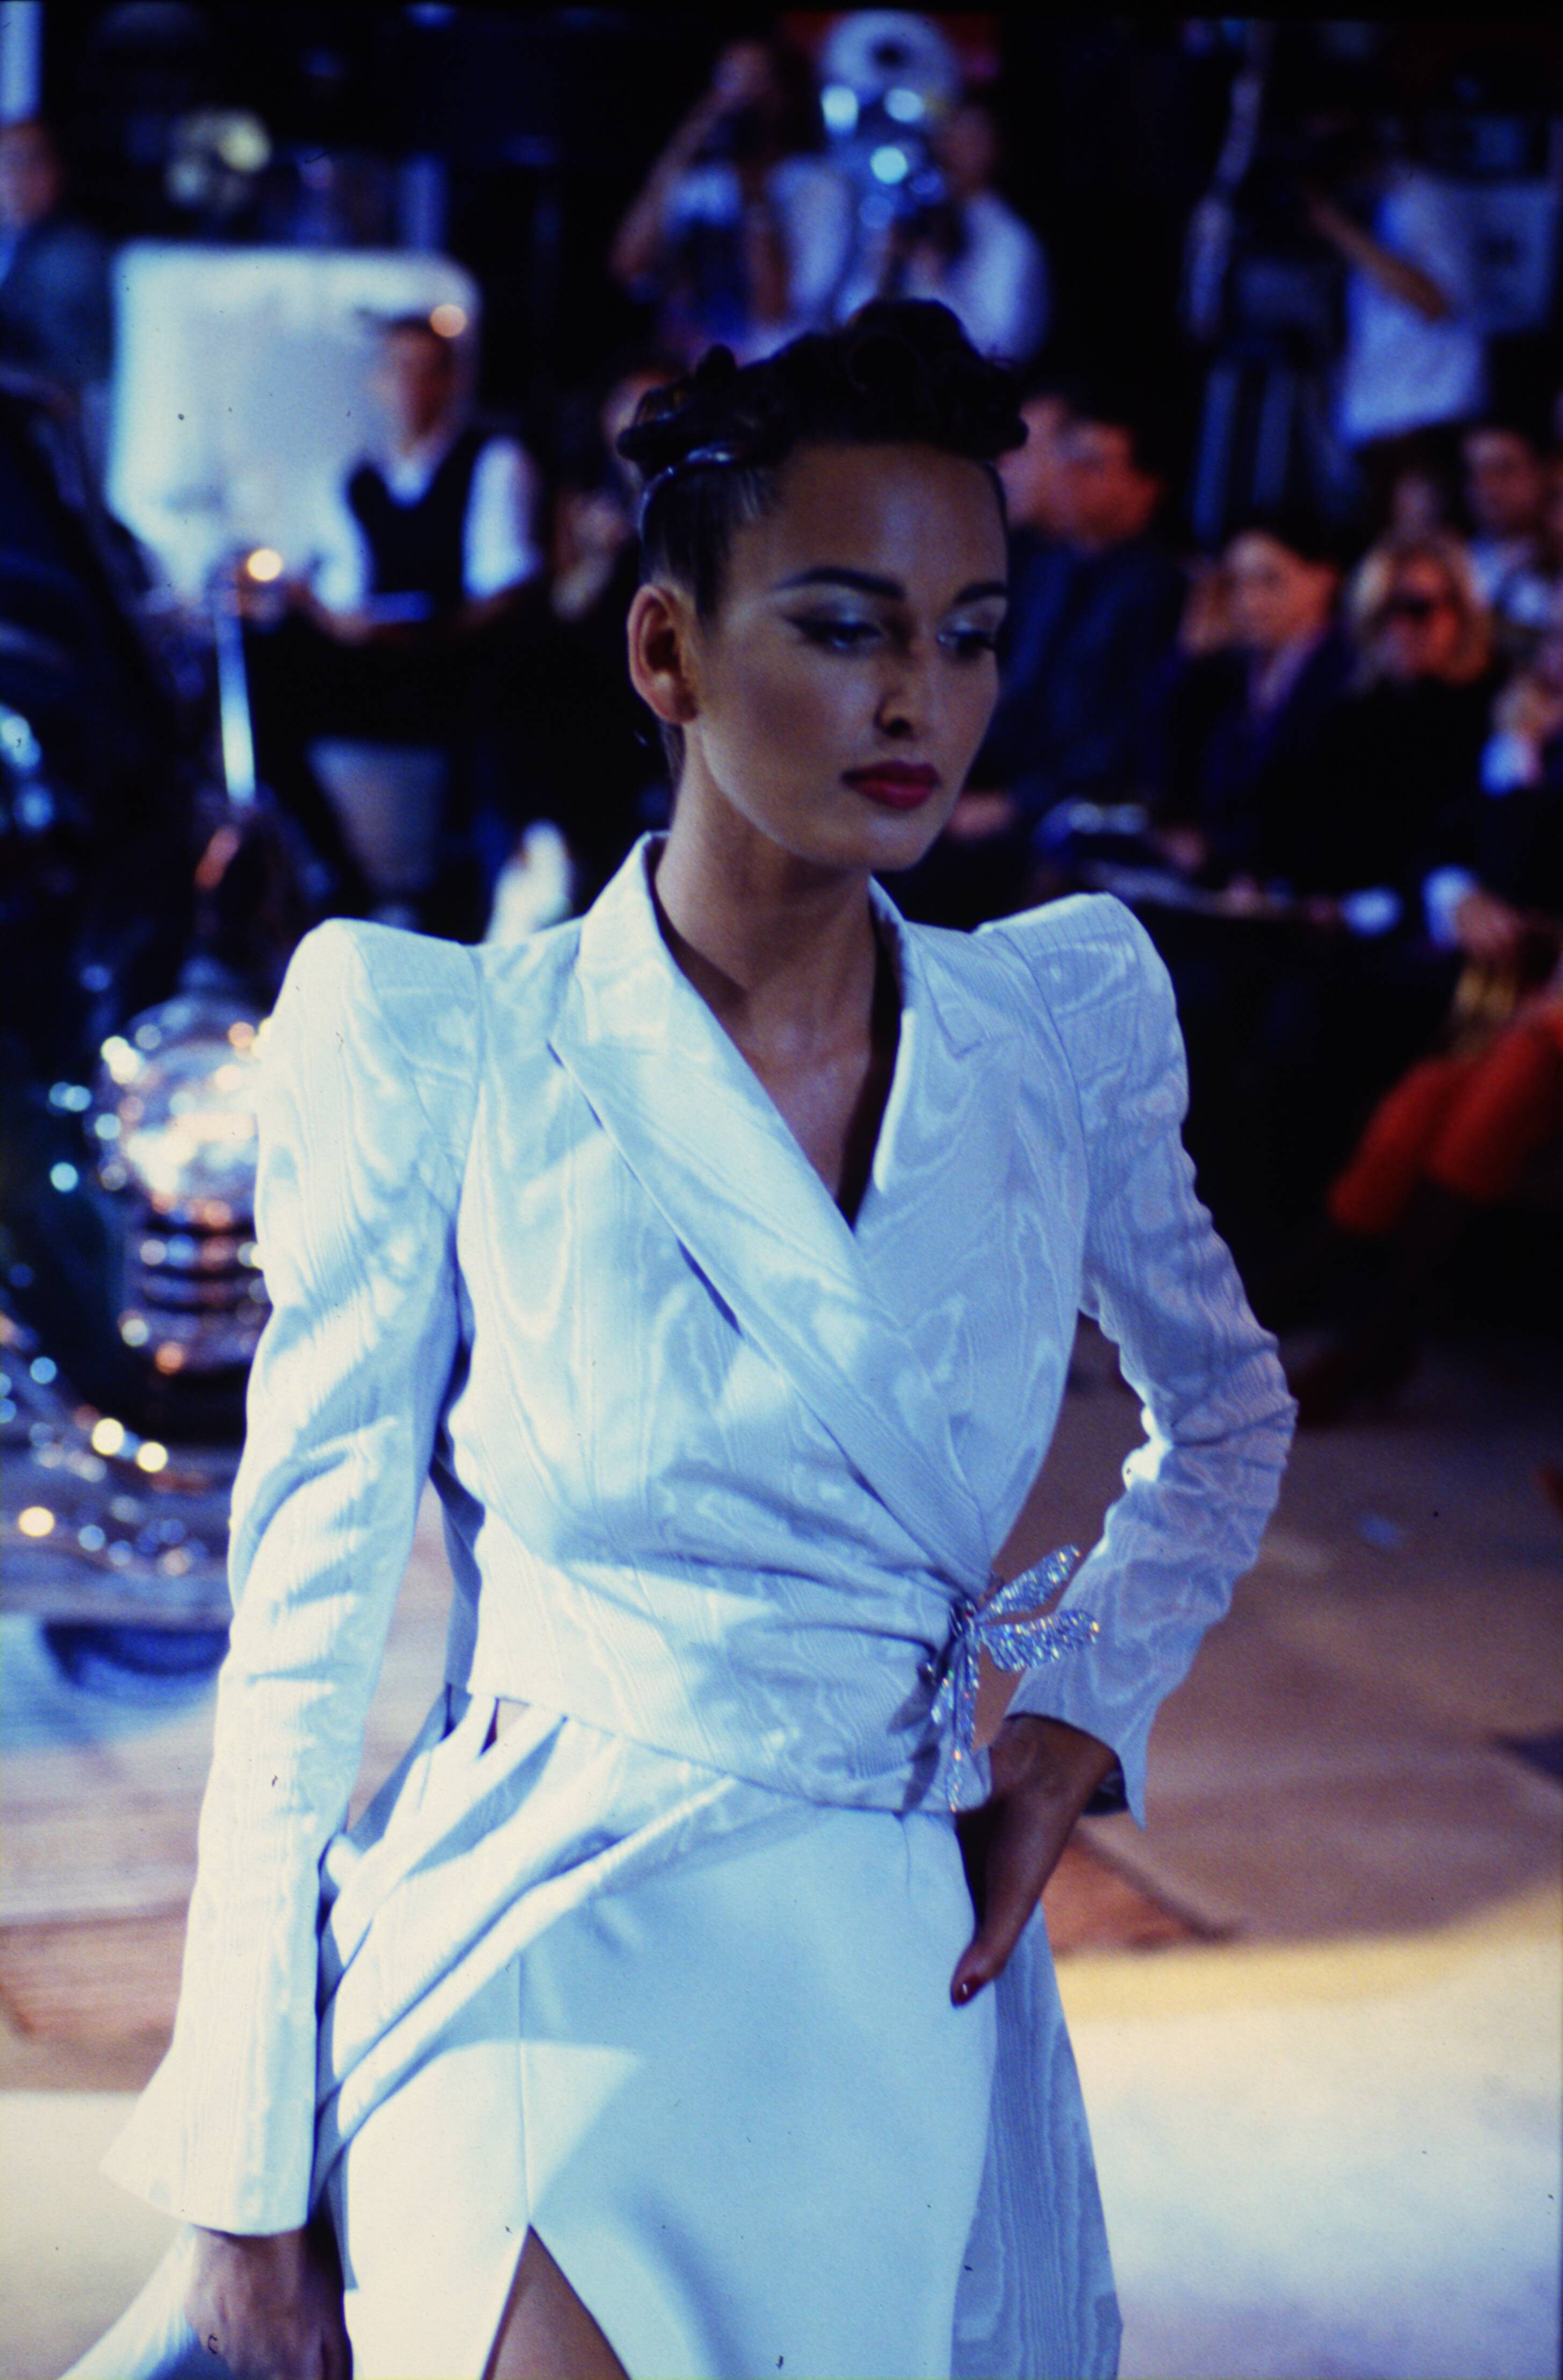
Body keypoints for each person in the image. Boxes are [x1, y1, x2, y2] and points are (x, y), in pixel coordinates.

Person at [71, 304, 1292, 2380]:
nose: (916, 698)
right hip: (536, 1923)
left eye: (969, 635)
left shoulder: (1051, 1028)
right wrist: (242, 2163)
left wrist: (1076, 1709)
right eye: (843, 625)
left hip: (899, 1940)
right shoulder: (443, 1042)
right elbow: (301, 1624)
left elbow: (1229, 1413)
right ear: (665, 650)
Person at [250, 310, 543, 931]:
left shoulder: (493, 463)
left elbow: (506, 586)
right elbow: (344, 591)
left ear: (451, 382)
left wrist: (432, 633)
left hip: (459, 653)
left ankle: (465, 887)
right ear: (378, 382)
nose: (412, 385)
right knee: (262, 663)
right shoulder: (353, 480)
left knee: (511, 676)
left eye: (428, 370)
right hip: (376, 662)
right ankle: (337, 872)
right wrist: (332, 618)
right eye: (399, 369)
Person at [609, 38, 852, 364]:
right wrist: (681, 148)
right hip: (693, 371)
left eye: (753, 81)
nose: (737, 97)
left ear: (784, 96)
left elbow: (775, 311)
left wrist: (753, 190)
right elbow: (630, 267)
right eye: (727, 79)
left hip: (776, 371)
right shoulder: (702, 185)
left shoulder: (820, 186)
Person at [1150, 511, 1353, 889]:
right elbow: (1167, 762)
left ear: (1323, 579)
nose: (1250, 601)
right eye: (1237, 584)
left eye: (1269, 580)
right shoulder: (1230, 670)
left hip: (1306, 891)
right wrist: (1191, 659)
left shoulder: (1351, 675)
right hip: (1220, 884)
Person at [1314, 123, 1486, 498]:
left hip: (1425, 421)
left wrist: (1336, 228)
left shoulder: (1419, 197)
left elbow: (1435, 302)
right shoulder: (1366, 208)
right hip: (1375, 430)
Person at [832, 98, 1049, 363]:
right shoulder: (913, 219)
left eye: (973, 139)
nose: (956, 149)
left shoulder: (1009, 239)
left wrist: (930, 280)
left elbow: (999, 346)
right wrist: (882, 263)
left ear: (999, 149)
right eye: (949, 135)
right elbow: (850, 313)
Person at [0, 117, 113, 466]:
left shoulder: (73, 256)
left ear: (56, 172)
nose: (17, 177)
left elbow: (72, 375)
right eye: (7, 162)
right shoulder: (10, 242)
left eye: (31, 162)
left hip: (59, 437)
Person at [1460, 416, 1555, 650]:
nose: (1488, 488)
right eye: (1476, 473)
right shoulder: (1453, 566)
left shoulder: (1555, 557)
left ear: (1541, 472)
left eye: (1504, 470)